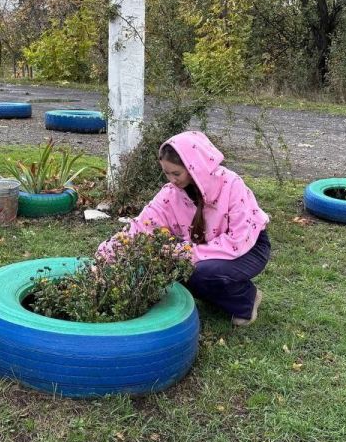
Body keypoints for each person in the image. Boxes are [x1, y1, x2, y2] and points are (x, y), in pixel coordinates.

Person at [98, 131, 271, 325]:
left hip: (249, 248)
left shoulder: (231, 184)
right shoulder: (170, 194)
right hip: (202, 249)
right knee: (178, 267)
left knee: (199, 271)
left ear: (194, 167)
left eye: (176, 173)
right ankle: (217, 292)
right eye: (167, 173)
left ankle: (247, 299)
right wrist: (105, 256)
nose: (172, 179)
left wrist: (186, 253)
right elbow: (140, 227)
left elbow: (238, 240)